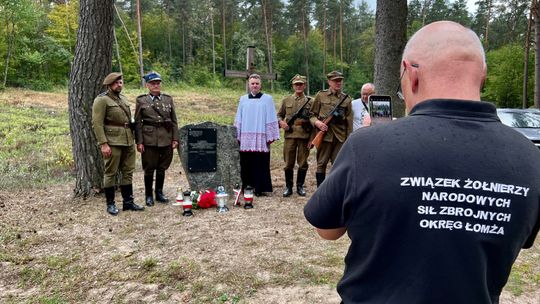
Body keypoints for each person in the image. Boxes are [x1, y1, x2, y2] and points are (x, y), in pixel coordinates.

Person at [304, 21, 540, 304]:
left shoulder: (366, 146)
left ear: (412, 74)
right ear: (483, 75)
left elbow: (327, 231)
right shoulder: (530, 158)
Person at [92, 72, 145, 215]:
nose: (119, 85)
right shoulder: (101, 100)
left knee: (128, 172)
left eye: (120, 82)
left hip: (128, 139)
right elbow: (97, 124)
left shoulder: (123, 98)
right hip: (112, 141)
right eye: (116, 83)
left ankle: (128, 202)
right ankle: (110, 204)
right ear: (109, 84)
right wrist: (103, 143)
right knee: (111, 173)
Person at [135, 71, 179, 207]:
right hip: (149, 139)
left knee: (162, 167)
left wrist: (175, 138)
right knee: (149, 168)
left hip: (166, 137)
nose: (156, 85)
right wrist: (139, 141)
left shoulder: (168, 99)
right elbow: (137, 123)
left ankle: (159, 193)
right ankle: (148, 195)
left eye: (158, 83)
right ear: (147, 85)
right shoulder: (141, 100)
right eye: (153, 83)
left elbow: (174, 121)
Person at [234, 74, 280, 196]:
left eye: (257, 83)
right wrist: (237, 133)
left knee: (260, 162)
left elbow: (271, 117)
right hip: (246, 137)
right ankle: (247, 187)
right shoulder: (243, 99)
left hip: (261, 137)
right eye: (252, 83)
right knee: (246, 163)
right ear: (249, 85)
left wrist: (270, 135)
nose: (255, 85)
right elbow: (239, 117)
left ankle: (260, 188)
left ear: (260, 85)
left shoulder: (268, 99)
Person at [308, 70, 353, 187]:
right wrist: (317, 123)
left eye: (340, 81)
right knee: (321, 163)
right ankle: (320, 190)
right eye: (335, 81)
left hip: (340, 137)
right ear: (329, 82)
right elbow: (311, 114)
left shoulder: (347, 99)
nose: (338, 83)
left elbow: (349, 121)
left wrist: (349, 139)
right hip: (324, 135)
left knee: (338, 164)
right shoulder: (320, 95)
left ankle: (334, 190)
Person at [277, 74, 313, 197]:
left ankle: (300, 186)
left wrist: (312, 139)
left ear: (304, 85)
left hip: (304, 136)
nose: (298, 86)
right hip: (290, 135)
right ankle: (288, 187)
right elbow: (279, 115)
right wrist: (281, 122)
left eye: (300, 84)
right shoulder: (286, 100)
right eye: (296, 84)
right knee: (288, 164)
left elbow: (314, 119)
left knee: (303, 163)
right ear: (293, 86)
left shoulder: (310, 101)